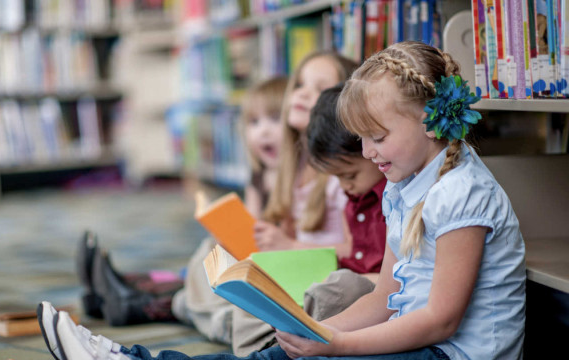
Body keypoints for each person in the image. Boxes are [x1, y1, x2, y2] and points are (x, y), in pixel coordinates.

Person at [42, 41, 526, 360]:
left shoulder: (462, 193)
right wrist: (318, 330)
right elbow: (385, 296)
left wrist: (336, 345)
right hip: (422, 340)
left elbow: (441, 320)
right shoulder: (403, 185)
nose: (366, 152)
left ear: (429, 121)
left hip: (451, 353)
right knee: (281, 352)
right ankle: (130, 358)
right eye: (361, 139)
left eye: (376, 136)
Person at [72, 76, 289, 330]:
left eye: (275, 120)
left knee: (199, 278)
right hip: (255, 261)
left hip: (272, 269)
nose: (263, 131)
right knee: (204, 262)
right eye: (254, 122)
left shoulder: (298, 180)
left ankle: (132, 297)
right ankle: (122, 288)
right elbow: (251, 229)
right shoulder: (259, 177)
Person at [231, 83, 387, 356]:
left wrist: (291, 247)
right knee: (251, 279)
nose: (344, 185)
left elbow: (388, 277)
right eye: (299, 84)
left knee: (336, 287)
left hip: (356, 286)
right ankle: (269, 338)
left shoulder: (389, 195)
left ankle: (274, 340)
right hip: (332, 275)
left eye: (348, 176)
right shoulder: (354, 194)